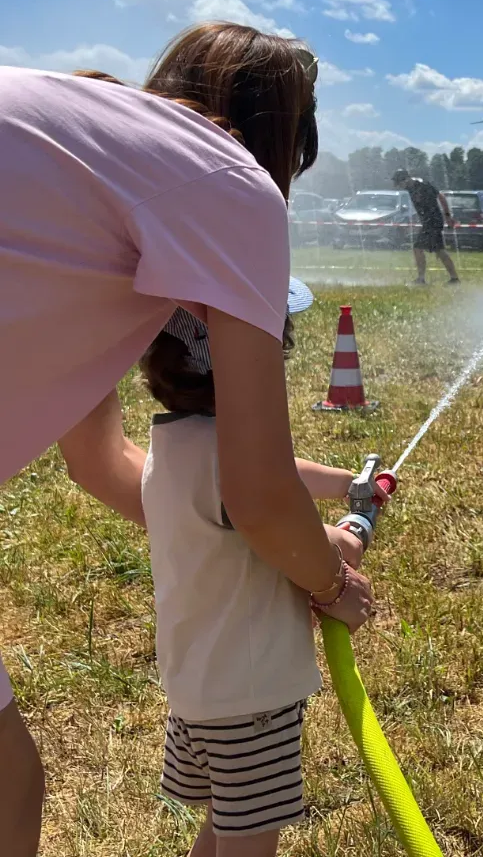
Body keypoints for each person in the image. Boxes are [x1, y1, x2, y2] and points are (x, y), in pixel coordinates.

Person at [0, 22, 373, 857]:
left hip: (197, 689)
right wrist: (328, 576)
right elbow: (258, 492)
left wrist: (232, 531)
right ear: (288, 142)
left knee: (9, 787)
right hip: (246, 696)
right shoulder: (231, 185)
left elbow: (100, 462)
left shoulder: (93, 148)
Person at [140, 308, 374, 855]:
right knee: (250, 841)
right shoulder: (231, 464)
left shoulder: (173, 448)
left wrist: (347, 482)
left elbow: (276, 469)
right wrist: (355, 530)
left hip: (197, 689)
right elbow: (299, 534)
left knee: (227, 822)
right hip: (250, 704)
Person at [391, 168, 460, 285]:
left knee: (418, 248)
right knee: (439, 251)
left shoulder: (422, 185)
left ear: (406, 179)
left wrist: (448, 216)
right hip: (429, 222)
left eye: (399, 183)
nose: (399, 186)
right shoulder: (410, 187)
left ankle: (421, 279)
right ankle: (454, 279)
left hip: (433, 221)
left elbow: (441, 197)